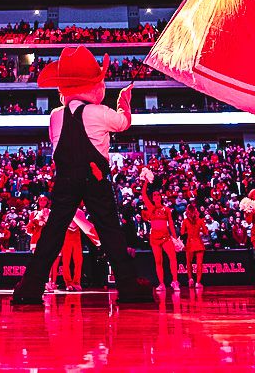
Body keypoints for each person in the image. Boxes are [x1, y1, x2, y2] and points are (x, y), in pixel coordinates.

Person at [11, 46, 153, 305]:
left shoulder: (55, 116)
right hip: (95, 178)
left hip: (65, 178)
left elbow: (57, 145)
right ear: (92, 86)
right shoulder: (98, 112)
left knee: (53, 231)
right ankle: (128, 286)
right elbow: (123, 123)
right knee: (110, 230)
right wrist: (124, 102)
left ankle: (30, 287)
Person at [142, 179, 180, 292]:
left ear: (161, 197)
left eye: (158, 195)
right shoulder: (150, 207)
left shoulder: (167, 210)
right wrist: (146, 181)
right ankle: (161, 284)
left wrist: (175, 238)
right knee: (158, 261)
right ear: (152, 198)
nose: (157, 196)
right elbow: (143, 194)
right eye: (154, 195)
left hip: (166, 236)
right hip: (154, 237)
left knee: (173, 258)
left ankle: (175, 282)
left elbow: (171, 224)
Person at [180, 205, 208, 288]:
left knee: (189, 263)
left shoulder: (185, 221)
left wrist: (187, 232)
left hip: (190, 243)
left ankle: (190, 279)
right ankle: (198, 283)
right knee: (199, 264)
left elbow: (182, 233)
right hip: (198, 243)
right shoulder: (200, 220)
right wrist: (201, 230)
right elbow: (206, 232)